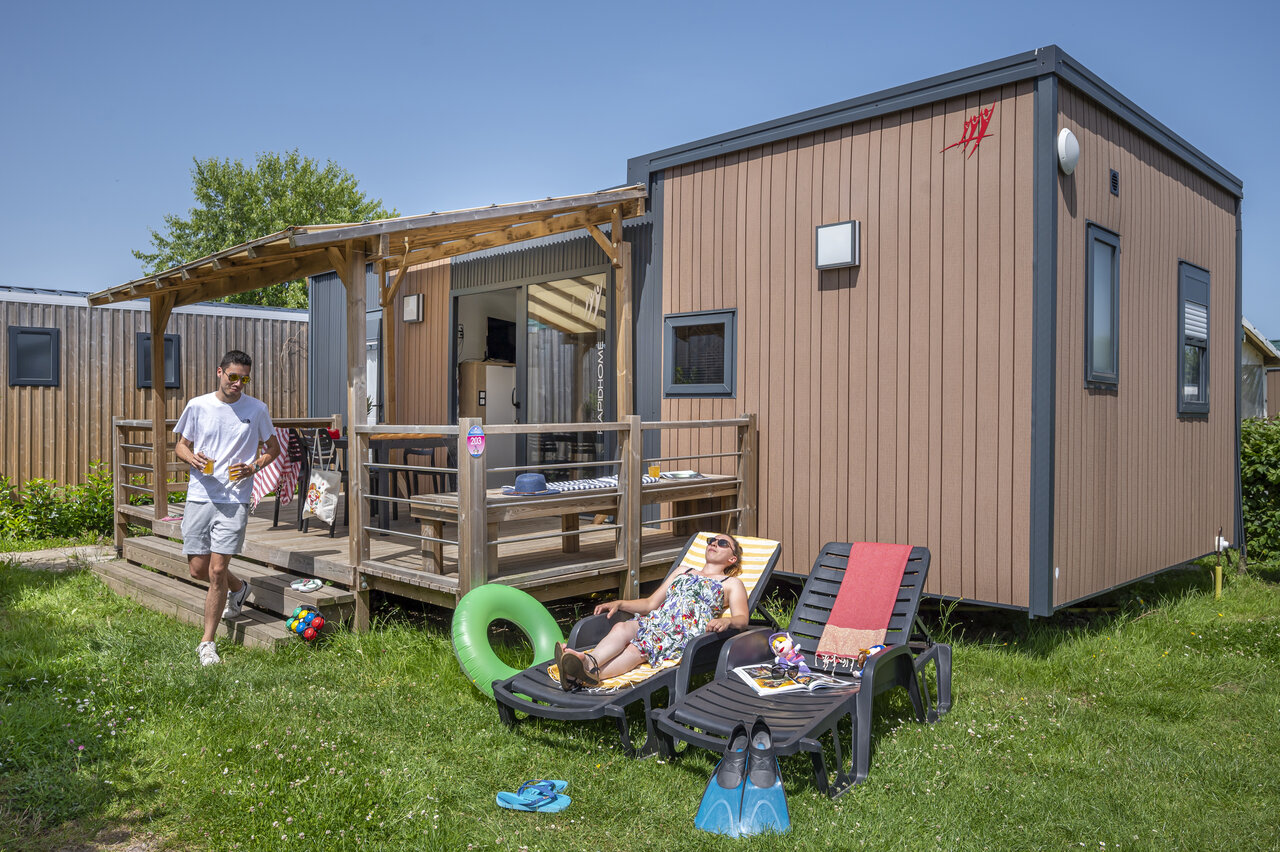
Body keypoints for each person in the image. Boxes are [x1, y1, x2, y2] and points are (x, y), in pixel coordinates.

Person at [173, 350, 281, 666]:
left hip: (234, 498)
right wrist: (188, 457)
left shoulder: (257, 409)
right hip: (200, 495)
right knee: (198, 569)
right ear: (220, 372)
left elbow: (272, 449)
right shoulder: (198, 405)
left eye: (244, 378)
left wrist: (254, 467)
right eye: (233, 376)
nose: (238, 383)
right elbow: (181, 444)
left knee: (217, 570)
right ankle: (240, 587)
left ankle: (207, 643)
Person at [557, 533, 750, 689]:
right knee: (621, 628)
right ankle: (587, 662)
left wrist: (727, 621)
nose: (714, 543)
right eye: (711, 540)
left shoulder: (731, 583)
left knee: (637, 648)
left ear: (732, 558)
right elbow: (651, 604)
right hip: (657, 619)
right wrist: (621, 604)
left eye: (722, 542)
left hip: (682, 630)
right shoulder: (683, 570)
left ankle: (584, 672)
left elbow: (742, 618)